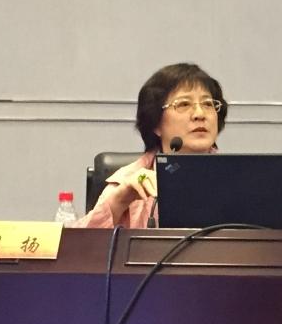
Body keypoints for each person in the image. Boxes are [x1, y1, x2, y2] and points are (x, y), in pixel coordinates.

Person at [76, 62, 228, 229]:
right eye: (184, 104)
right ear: (156, 123)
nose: (200, 114)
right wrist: (118, 202)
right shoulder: (127, 182)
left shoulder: (237, 179)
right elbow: (78, 243)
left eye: (208, 104)